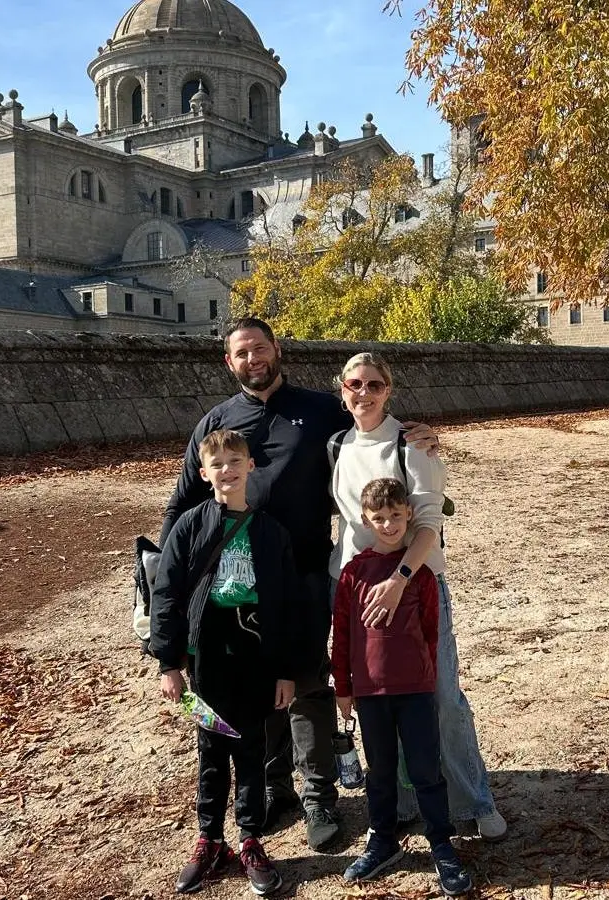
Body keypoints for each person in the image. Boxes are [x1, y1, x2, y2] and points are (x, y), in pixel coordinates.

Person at [160, 317, 438, 852]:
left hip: (307, 574)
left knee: (307, 684)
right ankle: (273, 788)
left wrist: (418, 434)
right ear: (229, 362)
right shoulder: (216, 423)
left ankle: (318, 797)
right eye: (241, 353)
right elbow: (183, 505)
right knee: (252, 686)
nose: (253, 360)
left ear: (276, 350)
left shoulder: (318, 409)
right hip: (237, 585)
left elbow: (370, 424)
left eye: (260, 349)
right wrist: (158, 590)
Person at [328, 352, 507, 841]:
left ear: (389, 390)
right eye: (354, 384)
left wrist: (400, 579)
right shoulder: (337, 443)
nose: (363, 393)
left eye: (374, 385)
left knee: (442, 695)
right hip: (362, 585)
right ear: (341, 389)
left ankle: (473, 799)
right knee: (385, 700)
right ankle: (407, 802)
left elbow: (429, 523)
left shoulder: (412, 445)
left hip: (412, 584)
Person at [152, 430, 302, 896]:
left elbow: (287, 605)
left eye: (236, 461)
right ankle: (210, 838)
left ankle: (251, 837)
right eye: (217, 464)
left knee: (253, 750)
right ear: (204, 473)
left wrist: (286, 670)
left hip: (256, 657)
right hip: (205, 660)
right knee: (212, 751)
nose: (227, 470)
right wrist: (168, 662)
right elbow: (167, 593)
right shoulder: (191, 526)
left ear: (250, 466)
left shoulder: (271, 531)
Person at [332, 478, 473, 896]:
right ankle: (383, 838)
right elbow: (342, 635)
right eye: (379, 518)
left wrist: (426, 676)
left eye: (396, 516)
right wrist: (344, 686)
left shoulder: (421, 573)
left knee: (426, 769)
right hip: (371, 694)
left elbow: (432, 630)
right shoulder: (353, 574)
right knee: (381, 772)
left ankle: (442, 843)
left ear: (408, 514)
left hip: (415, 690)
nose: (389, 525)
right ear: (365, 520)